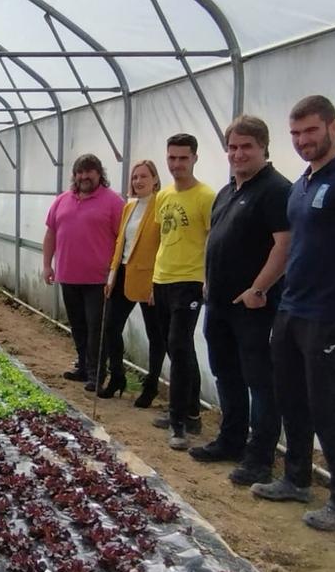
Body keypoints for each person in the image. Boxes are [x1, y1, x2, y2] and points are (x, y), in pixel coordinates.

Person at [251, 95, 335, 532]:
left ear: (333, 126)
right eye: (296, 133)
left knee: (327, 406)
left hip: (328, 313)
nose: (303, 140)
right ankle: (296, 478)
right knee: (290, 397)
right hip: (291, 307)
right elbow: (292, 247)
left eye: (311, 130)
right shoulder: (302, 184)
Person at [188, 116, 292, 488]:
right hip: (218, 302)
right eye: (232, 147)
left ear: (264, 148)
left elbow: (285, 244)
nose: (238, 153)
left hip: (254, 307)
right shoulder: (228, 190)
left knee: (259, 381)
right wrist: (207, 281)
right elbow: (215, 239)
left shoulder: (276, 190)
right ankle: (230, 440)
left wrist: (259, 288)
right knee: (226, 373)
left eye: (246, 146)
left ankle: (259, 458)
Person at [151, 133, 215, 451]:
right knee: (177, 347)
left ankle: (178, 423)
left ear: (194, 158)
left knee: (178, 344)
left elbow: (214, 242)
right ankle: (190, 412)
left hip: (190, 281)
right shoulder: (162, 196)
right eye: (172, 158)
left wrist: (208, 279)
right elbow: (162, 238)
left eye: (183, 158)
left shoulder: (206, 197)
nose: (177, 164)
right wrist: (153, 279)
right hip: (162, 279)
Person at [42, 154, 125, 390]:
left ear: (99, 174)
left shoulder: (113, 202)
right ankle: (82, 365)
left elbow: (122, 240)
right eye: (79, 172)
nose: (83, 177)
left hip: (98, 279)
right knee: (77, 325)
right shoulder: (62, 200)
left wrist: (115, 273)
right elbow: (50, 234)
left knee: (96, 328)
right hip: (68, 275)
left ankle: (97, 373)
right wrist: (48, 265)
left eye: (89, 172)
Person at [100, 160, 164, 405]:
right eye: (135, 177)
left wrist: (157, 283)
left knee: (155, 335)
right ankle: (117, 376)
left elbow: (162, 245)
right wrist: (112, 275)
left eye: (144, 177)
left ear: (155, 180)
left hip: (150, 279)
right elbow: (121, 244)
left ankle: (151, 385)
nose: (138, 181)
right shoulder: (129, 207)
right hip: (124, 274)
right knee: (111, 327)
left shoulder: (160, 204)